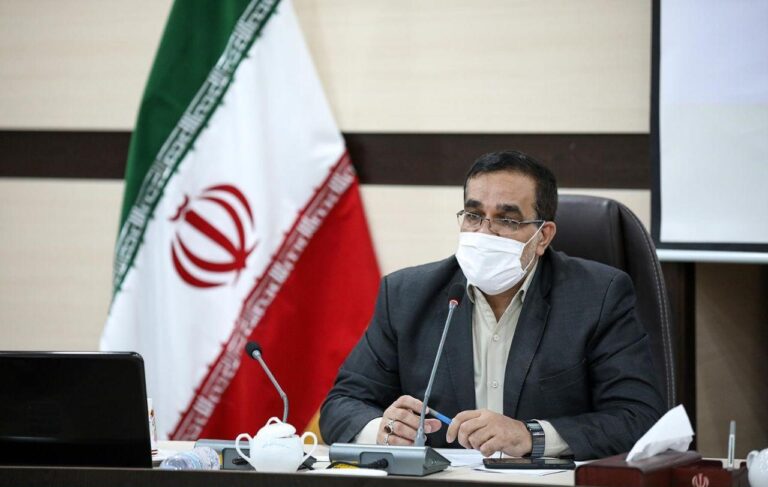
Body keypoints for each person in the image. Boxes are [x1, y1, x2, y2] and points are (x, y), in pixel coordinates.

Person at [319, 150, 665, 460]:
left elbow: (638, 416)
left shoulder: (597, 296)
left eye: (507, 220)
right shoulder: (407, 295)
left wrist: (531, 436)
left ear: (543, 236)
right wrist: (384, 431)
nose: (484, 233)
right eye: (473, 215)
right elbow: (341, 405)